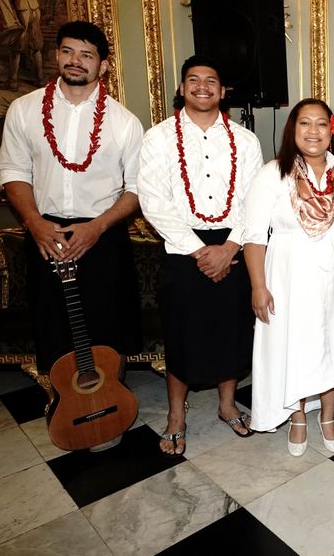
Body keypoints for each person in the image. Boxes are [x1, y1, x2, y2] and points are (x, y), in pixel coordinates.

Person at [0, 20, 144, 397]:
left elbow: (136, 189)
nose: (75, 60)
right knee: (53, 327)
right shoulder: (24, 110)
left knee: (109, 328)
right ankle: (67, 406)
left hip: (103, 236)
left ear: (103, 65)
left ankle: (110, 401)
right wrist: (34, 223)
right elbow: (13, 171)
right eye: (68, 51)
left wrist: (97, 227)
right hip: (45, 235)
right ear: (56, 55)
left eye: (86, 55)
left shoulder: (125, 122)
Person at [138, 55, 263, 456]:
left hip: (233, 247)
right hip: (181, 249)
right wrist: (199, 251)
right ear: (182, 88)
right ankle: (176, 416)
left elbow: (254, 201)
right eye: (193, 79)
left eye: (211, 80)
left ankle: (228, 406)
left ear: (223, 91)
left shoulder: (246, 141)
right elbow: (153, 202)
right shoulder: (158, 138)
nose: (202, 86)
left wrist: (229, 248)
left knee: (232, 330)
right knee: (181, 334)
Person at [243, 98, 334, 456]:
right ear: (293, 129)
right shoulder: (272, 173)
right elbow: (254, 236)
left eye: (321, 123)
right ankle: (298, 416)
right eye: (305, 123)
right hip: (286, 274)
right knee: (293, 343)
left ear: (331, 131)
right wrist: (258, 286)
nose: (313, 131)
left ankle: (328, 415)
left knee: (333, 340)